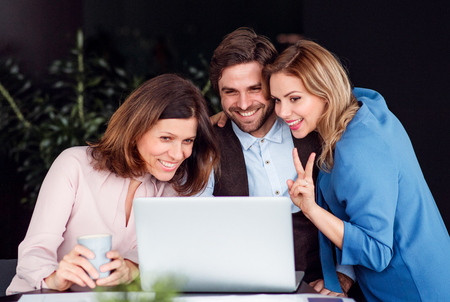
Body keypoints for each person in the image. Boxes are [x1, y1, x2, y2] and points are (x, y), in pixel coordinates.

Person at [263, 39, 450, 301]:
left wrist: (311, 210)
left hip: (411, 289)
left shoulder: (358, 150)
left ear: (326, 91)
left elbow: (376, 252)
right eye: (276, 100)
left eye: (294, 98)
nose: (282, 111)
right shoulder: (365, 104)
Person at [7, 74, 220, 295]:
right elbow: (33, 251)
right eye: (166, 138)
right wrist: (54, 277)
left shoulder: (174, 190)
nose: (178, 154)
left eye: (188, 141)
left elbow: (164, 262)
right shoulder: (74, 165)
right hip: (41, 297)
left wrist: (132, 270)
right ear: (136, 130)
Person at [202, 27, 355, 296]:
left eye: (255, 88)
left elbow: (352, 211)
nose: (244, 103)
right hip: (241, 290)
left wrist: (343, 276)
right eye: (230, 92)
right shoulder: (208, 145)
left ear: (273, 85)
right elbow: (196, 227)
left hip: (319, 286)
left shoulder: (314, 130)